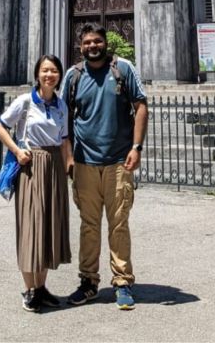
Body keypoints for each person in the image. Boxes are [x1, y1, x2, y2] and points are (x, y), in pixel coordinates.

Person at [61, 23, 148, 311]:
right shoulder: (73, 77)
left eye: (97, 41)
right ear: (80, 45)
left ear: (106, 43)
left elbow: (140, 105)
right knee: (89, 225)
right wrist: (68, 156)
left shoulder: (122, 69)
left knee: (119, 224)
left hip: (118, 161)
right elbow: (63, 117)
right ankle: (88, 282)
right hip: (85, 163)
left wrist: (136, 147)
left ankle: (122, 281)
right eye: (87, 42)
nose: (92, 46)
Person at [0, 55, 73, 312]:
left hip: (53, 167)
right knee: (31, 225)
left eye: (54, 71)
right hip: (31, 165)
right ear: (37, 74)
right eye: (44, 70)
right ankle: (29, 289)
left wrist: (68, 166)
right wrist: (17, 151)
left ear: (60, 75)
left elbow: (63, 140)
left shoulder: (61, 105)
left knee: (48, 225)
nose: (49, 75)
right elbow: (0, 126)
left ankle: (41, 288)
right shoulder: (25, 101)